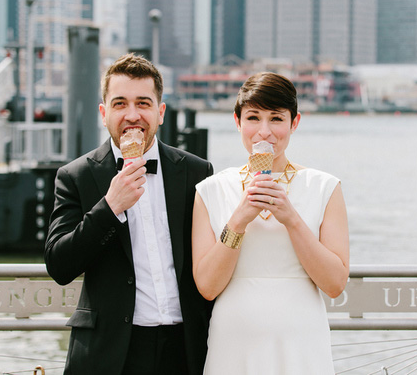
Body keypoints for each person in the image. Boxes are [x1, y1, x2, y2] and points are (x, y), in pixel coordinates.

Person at [45, 53, 214, 375]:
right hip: (110, 351)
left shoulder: (196, 171)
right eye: (120, 104)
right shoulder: (75, 176)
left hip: (186, 346)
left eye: (143, 103)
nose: (132, 115)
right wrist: (110, 207)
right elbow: (59, 265)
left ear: (160, 112)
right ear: (104, 112)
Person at [192, 72, 349, 374]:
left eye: (276, 119)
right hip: (234, 342)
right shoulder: (211, 190)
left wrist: (291, 219)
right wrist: (238, 220)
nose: (264, 132)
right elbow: (208, 286)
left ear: (294, 123)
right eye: (253, 118)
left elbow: (334, 284)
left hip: (301, 342)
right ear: (237, 122)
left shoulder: (324, 187)